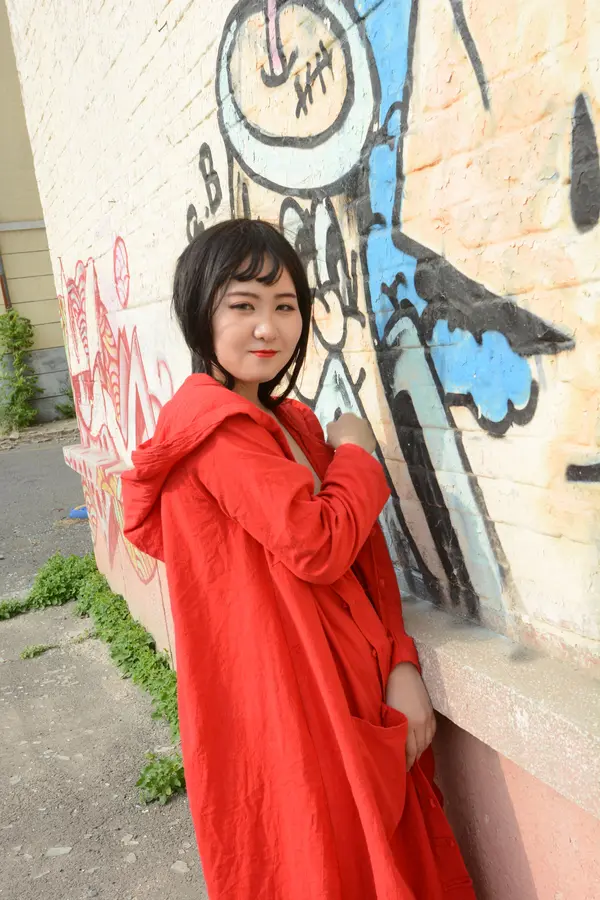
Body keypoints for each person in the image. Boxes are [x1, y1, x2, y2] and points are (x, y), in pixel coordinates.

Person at [121, 219, 475, 899]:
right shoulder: (216, 434)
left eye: (285, 306)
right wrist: (358, 453)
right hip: (294, 708)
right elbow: (318, 545)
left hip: (354, 689)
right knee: (328, 864)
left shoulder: (292, 424)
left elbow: (362, 565)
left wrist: (400, 662)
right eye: (243, 305)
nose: (268, 328)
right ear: (199, 311)